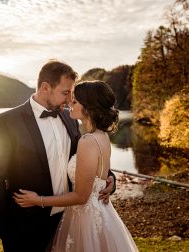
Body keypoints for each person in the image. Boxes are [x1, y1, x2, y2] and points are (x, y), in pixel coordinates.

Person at [0, 61, 116, 251]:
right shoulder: (7, 122)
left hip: (69, 221)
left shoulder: (70, 120)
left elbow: (85, 157)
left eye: (72, 94)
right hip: (26, 227)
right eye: (65, 93)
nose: (70, 99)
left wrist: (109, 177)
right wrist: (5, 228)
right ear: (46, 87)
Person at [14, 81, 139, 252]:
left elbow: (81, 197)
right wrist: (109, 180)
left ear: (88, 107)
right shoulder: (102, 136)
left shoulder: (87, 141)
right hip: (101, 213)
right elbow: (99, 173)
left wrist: (38, 200)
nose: (69, 104)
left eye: (75, 101)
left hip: (85, 220)